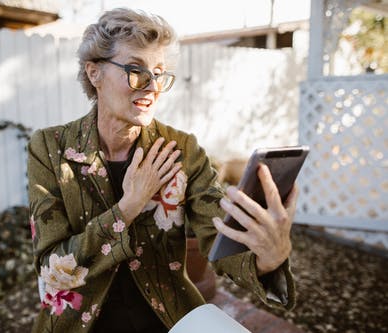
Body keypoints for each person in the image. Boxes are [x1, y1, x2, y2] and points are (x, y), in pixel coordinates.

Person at [27, 8, 297, 333]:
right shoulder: (49, 148)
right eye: (136, 70)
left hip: (170, 322)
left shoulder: (181, 150)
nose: (152, 86)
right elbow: (52, 270)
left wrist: (269, 260)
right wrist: (128, 208)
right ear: (94, 73)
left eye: (159, 73)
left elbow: (217, 238)